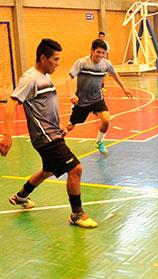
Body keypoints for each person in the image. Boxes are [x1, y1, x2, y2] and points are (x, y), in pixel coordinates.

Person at [0, 39, 98, 228]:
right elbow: (11, 103)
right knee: (75, 169)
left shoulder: (45, 76)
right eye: (55, 59)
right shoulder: (30, 78)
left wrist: (59, 124)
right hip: (44, 137)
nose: (57, 63)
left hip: (52, 132)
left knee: (48, 170)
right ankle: (77, 214)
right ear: (43, 58)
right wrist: (7, 134)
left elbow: (44, 106)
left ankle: (20, 196)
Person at [66, 39, 132, 154]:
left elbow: (114, 74)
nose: (100, 55)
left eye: (103, 53)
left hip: (97, 99)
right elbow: (68, 79)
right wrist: (71, 94)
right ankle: (56, 141)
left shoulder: (106, 64)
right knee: (70, 126)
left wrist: (124, 88)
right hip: (82, 101)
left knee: (106, 120)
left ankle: (99, 142)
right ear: (92, 51)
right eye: (98, 52)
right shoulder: (82, 63)